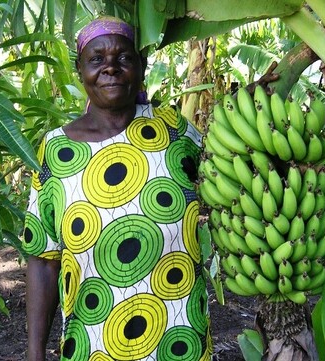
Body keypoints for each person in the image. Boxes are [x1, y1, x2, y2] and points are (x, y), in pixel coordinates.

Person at [23, 16, 211, 361]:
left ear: (141, 66)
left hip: (180, 340)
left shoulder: (174, 131)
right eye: (97, 60)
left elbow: (225, 175)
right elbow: (43, 258)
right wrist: (35, 353)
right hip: (93, 343)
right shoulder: (56, 151)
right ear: (80, 70)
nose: (110, 68)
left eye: (123, 58)